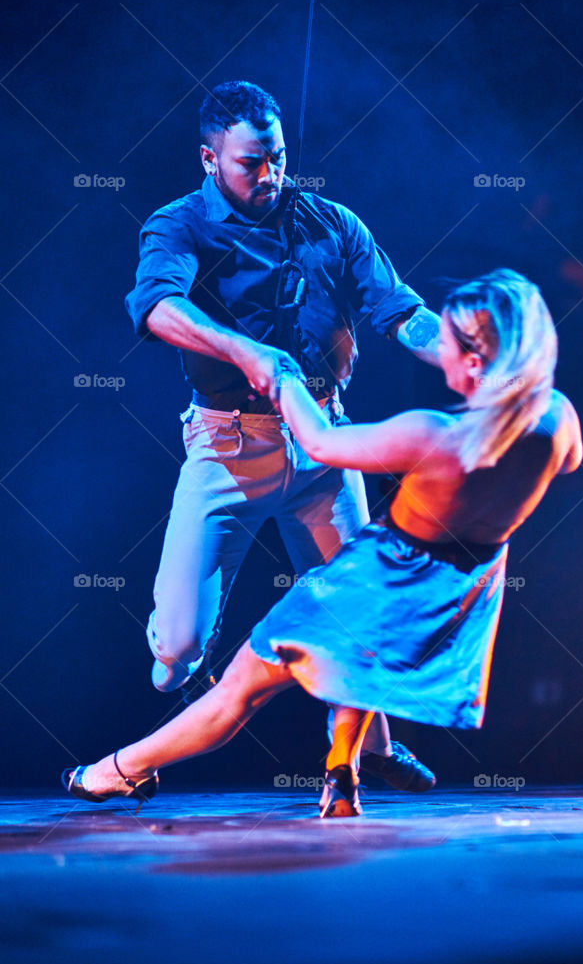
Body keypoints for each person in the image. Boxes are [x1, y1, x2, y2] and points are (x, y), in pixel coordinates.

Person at [64, 270, 583, 818]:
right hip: (454, 588)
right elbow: (564, 464)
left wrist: (283, 377)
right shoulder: (558, 421)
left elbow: (319, 441)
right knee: (359, 660)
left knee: (242, 688)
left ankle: (116, 772)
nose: (440, 353)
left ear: (476, 363)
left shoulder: (433, 436)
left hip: (381, 573)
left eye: (447, 343)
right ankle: (344, 769)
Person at [126, 78, 443, 791]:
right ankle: (187, 665)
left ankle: (374, 750)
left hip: (324, 445)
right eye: (250, 163)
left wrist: (457, 349)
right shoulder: (177, 225)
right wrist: (244, 351)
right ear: (210, 159)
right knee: (172, 654)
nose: (269, 175)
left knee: (354, 607)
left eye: (277, 157)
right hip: (228, 449)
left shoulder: (331, 222)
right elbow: (157, 309)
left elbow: (401, 313)